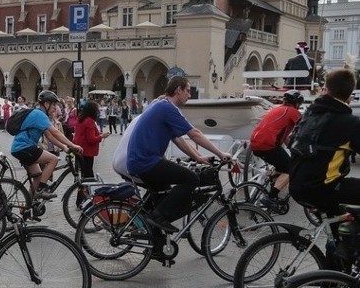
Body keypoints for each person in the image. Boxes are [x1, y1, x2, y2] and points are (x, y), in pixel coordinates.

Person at [126, 76, 231, 233]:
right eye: (188, 91)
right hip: (147, 162)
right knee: (191, 179)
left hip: (141, 162)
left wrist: (199, 157)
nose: (190, 94)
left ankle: (157, 247)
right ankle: (158, 217)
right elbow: (194, 134)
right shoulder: (167, 108)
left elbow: (179, 140)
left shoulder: (162, 106)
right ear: (178, 90)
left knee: (163, 196)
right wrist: (220, 153)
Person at [289, 69, 360, 215]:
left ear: (326, 89)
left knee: (339, 220)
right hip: (322, 187)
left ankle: (336, 236)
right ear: (350, 94)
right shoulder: (350, 122)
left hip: (296, 184)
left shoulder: (309, 113)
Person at [10, 90, 84, 199]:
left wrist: (65, 147)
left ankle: (28, 206)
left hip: (21, 148)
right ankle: (41, 189)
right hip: (24, 148)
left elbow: (49, 136)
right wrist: (73, 145)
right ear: (46, 104)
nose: (55, 107)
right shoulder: (39, 114)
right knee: (53, 159)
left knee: (38, 176)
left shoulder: (38, 114)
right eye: (53, 104)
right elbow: (56, 132)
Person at [249, 90, 304, 206]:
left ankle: (273, 187)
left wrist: (294, 149)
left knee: (281, 165)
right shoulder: (292, 111)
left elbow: (284, 138)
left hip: (255, 144)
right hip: (268, 145)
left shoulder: (277, 109)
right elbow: (306, 128)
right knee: (290, 169)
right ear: (297, 103)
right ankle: (270, 197)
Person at [73, 101, 110, 180]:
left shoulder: (81, 119)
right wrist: (101, 136)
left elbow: (85, 133)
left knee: (83, 172)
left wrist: (99, 134)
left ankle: (82, 191)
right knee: (88, 174)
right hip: (87, 151)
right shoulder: (90, 121)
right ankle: (87, 190)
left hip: (79, 148)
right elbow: (91, 139)